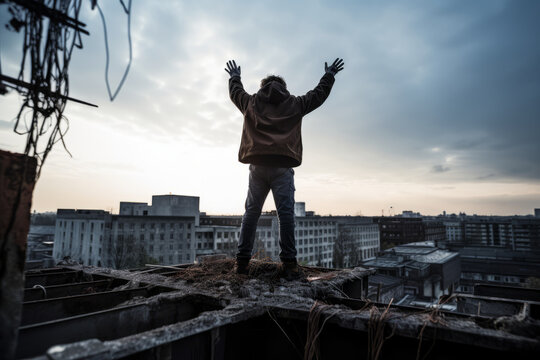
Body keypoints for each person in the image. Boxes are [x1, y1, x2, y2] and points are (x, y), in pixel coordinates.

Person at [225, 58, 344, 279]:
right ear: (284, 87)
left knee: (251, 213)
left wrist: (234, 77)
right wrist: (329, 75)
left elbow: (236, 93)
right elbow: (318, 95)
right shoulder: (294, 104)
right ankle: (289, 265)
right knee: (286, 215)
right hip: (282, 167)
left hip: (258, 166)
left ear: (262, 87)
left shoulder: (251, 102)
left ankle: (241, 264)